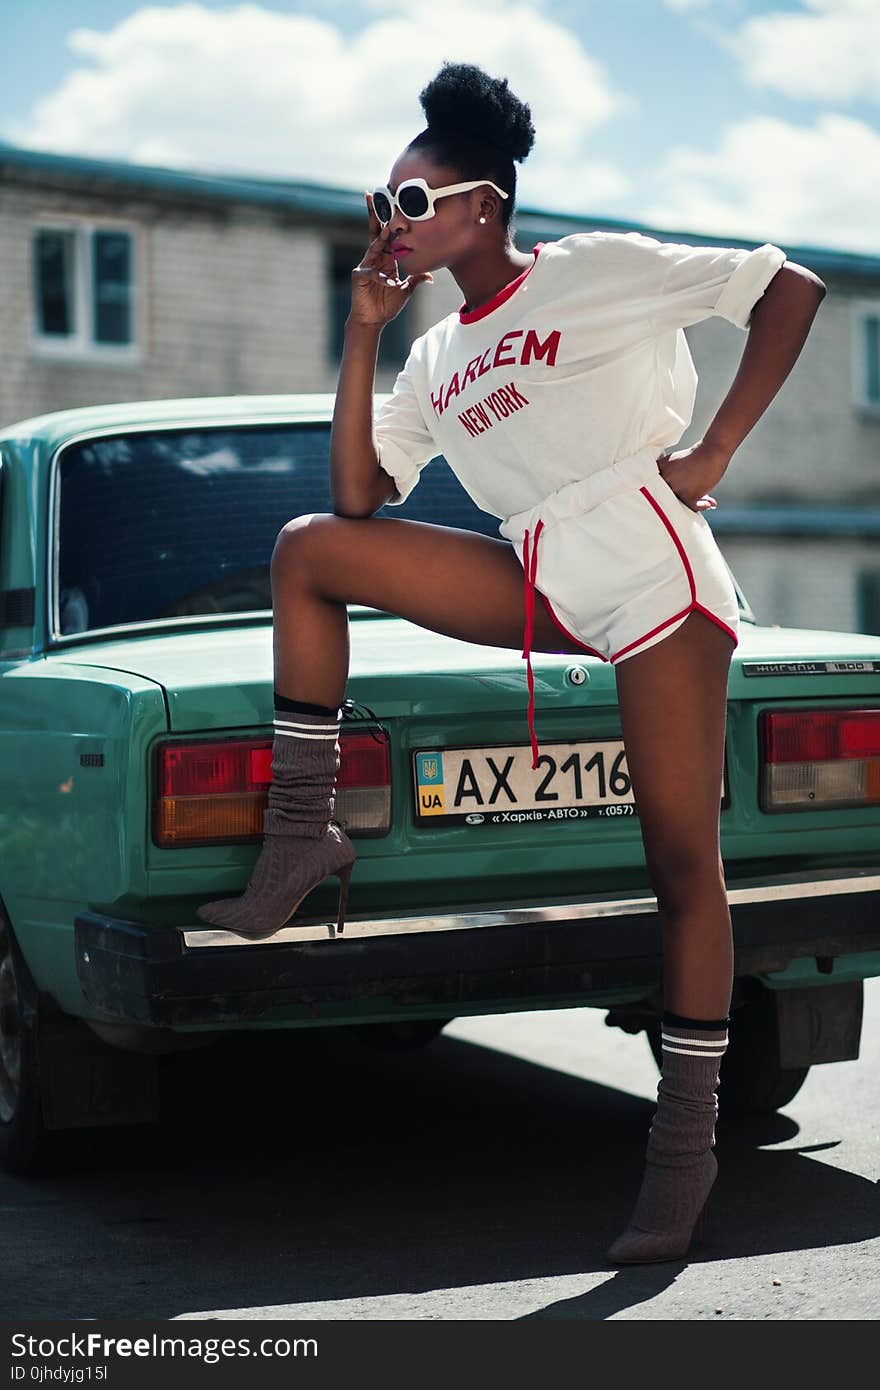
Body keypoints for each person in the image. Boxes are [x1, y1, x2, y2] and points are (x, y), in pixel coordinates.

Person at [197, 61, 826, 1264]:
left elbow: (784, 285)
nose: (393, 224)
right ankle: (301, 832)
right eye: (383, 205)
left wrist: (714, 452)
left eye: (414, 202)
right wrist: (363, 331)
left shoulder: (591, 271)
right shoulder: (434, 360)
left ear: (484, 202)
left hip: (648, 574)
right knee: (308, 549)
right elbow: (356, 493)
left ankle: (680, 1156)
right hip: (539, 572)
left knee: (681, 865)